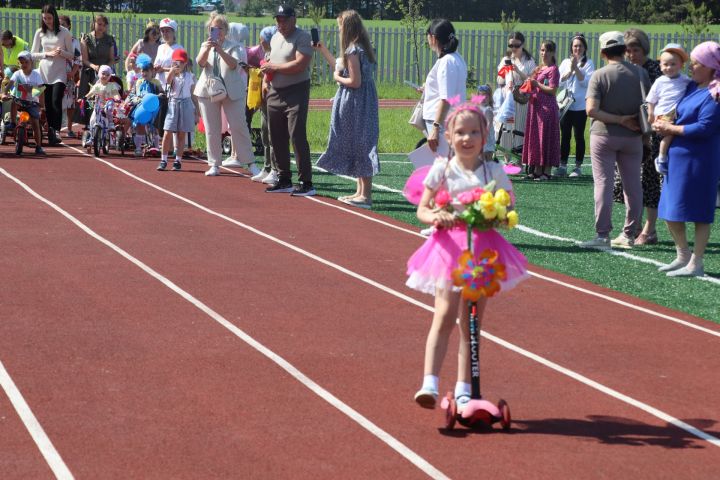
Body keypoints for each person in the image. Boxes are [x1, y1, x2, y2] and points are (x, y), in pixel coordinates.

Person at [406, 100, 528, 409]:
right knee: (444, 315)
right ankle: (429, 384)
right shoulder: (442, 168)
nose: (467, 138)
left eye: (474, 132)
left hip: (483, 252)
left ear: (484, 136)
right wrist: (436, 216)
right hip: (449, 250)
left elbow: (509, 209)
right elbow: (423, 208)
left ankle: (464, 388)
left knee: (471, 323)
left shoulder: (494, 171)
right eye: (460, 132)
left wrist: (497, 215)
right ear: (449, 136)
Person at [654, 41, 720, 277]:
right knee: (671, 209)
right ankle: (682, 254)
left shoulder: (716, 93)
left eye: (697, 63)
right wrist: (663, 122)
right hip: (678, 160)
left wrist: (671, 129)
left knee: (700, 212)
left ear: (711, 67)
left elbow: (705, 127)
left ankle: (697, 262)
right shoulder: (692, 87)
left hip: (700, 161)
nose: (691, 67)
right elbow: (678, 113)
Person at [579, 31, 649, 250]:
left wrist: (618, 119)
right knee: (633, 186)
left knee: (604, 184)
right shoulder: (640, 73)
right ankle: (629, 234)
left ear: (602, 52)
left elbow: (591, 110)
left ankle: (602, 236)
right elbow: (649, 107)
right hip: (634, 136)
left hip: (604, 135)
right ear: (624, 49)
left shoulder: (599, 75)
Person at [314, 10, 379, 209]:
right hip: (365, 100)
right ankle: (360, 192)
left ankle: (365, 195)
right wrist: (324, 51)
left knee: (360, 143)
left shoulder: (352, 50)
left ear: (347, 27)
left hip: (355, 101)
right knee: (360, 141)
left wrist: (336, 79)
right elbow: (343, 67)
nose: (339, 29)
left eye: (340, 26)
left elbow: (354, 81)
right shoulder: (362, 48)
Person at [614, 28, 664, 246]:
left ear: (644, 49)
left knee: (649, 181)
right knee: (630, 181)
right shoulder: (626, 70)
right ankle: (633, 225)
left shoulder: (655, 70)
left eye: (635, 50)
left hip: (652, 134)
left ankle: (649, 230)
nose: (632, 54)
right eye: (628, 51)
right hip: (630, 132)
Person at [260, 5, 315, 196]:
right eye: (278, 19)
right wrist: (266, 80)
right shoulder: (275, 37)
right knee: (276, 136)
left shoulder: (302, 37)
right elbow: (270, 60)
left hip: (297, 90)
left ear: (294, 19)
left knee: (296, 134)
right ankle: (284, 179)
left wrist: (273, 67)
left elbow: (300, 64)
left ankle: (306, 182)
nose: (280, 23)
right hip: (275, 90)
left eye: (283, 19)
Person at [195, 13, 256, 176]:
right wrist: (208, 48)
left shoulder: (234, 46)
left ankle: (250, 163)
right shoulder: (205, 45)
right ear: (209, 30)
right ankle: (214, 163)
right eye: (214, 28)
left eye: (220, 28)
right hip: (208, 90)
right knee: (212, 128)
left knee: (238, 126)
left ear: (226, 30)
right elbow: (200, 62)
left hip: (232, 91)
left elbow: (233, 64)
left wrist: (220, 49)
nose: (217, 31)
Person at [220, 22, 261, 174]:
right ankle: (233, 154)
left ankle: (237, 155)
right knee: (234, 123)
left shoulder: (237, 48)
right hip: (237, 86)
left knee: (236, 122)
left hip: (236, 88)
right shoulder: (241, 48)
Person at [421, 19, 467, 156]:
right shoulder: (456, 58)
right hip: (451, 120)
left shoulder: (446, 61)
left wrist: (435, 128)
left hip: (442, 122)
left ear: (433, 38)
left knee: (444, 168)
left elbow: (446, 99)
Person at [30, 4, 73, 145]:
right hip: (44, 72)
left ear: (54, 16)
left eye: (49, 18)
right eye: (44, 18)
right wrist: (46, 53)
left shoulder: (64, 32)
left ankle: (56, 130)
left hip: (59, 73)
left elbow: (72, 55)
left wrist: (62, 53)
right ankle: (50, 131)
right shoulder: (39, 33)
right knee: (47, 103)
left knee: (56, 101)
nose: (47, 21)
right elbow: (32, 54)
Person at [646, 44, 691, 174]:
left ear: (681, 65)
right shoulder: (660, 81)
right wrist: (650, 113)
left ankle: (667, 157)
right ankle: (661, 157)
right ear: (660, 66)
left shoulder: (685, 80)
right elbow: (651, 99)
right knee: (670, 134)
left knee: (675, 135)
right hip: (664, 114)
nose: (669, 67)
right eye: (665, 64)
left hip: (677, 114)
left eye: (673, 64)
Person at [522, 40, 560, 180]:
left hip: (547, 108)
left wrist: (536, 83)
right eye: (542, 50)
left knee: (546, 138)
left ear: (552, 53)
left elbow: (553, 90)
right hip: (535, 107)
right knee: (536, 138)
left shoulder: (553, 69)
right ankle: (537, 170)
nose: (544, 53)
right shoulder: (539, 68)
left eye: (547, 51)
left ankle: (547, 171)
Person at [558, 33, 595, 177]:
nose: (577, 48)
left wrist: (577, 68)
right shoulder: (565, 62)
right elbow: (560, 81)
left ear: (585, 48)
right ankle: (562, 165)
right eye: (575, 46)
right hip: (565, 105)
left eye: (580, 46)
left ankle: (578, 167)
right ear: (571, 48)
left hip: (580, 106)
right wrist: (570, 70)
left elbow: (586, 82)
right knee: (565, 135)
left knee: (579, 135)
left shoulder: (589, 63)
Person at [496, 32, 536, 165]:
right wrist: (504, 73)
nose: (513, 48)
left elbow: (531, 80)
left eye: (516, 45)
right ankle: (507, 159)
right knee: (506, 128)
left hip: (522, 98)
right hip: (507, 97)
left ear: (522, 45)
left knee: (520, 128)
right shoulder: (506, 59)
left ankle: (519, 160)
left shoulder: (529, 61)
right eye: (510, 45)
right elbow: (499, 80)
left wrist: (518, 71)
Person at [157, 49, 197, 172]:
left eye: (180, 61)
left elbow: (193, 94)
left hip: (186, 104)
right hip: (173, 103)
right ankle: (163, 160)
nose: (178, 64)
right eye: (175, 61)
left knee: (181, 133)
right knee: (167, 132)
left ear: (185, 63)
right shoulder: (172, 75)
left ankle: (178, 161)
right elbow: (168, 82)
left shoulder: (191, 77)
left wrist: (197, 111)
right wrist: (171, 72)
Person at [248, 25, 279, 184]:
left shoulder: (277, 54)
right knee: (265, 133)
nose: (261, 44)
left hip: (274, 96)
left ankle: (275, 169)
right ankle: (267, 167)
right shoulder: (267, 53)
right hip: (264, 98)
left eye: (263, 41)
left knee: (273, 135)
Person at [117, 54, 163, 157]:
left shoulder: (156, 83)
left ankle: (156, 146)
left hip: (153, 108)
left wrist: (160, 96)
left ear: (152, 72)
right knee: (140, 125)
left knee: (155, 127)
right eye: (142, 71)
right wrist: (132, 100)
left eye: (147, 71)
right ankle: (138, 147)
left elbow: (161, 93)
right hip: (140, 107)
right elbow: (132, 94)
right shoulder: (138, 82)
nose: (144, 73)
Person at [78, 14, 117, 135]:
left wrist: (106, 69)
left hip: (105, 73)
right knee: (90, 99)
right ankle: (89, 123)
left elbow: (112, 58)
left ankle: (105, 121)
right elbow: (84, 59)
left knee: (105, 97)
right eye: (99, 24)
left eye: (104, 25)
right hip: (90, 71)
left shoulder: (109, 39)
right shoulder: (86, 38)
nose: (101, 27)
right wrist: (94, 66)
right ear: (94, 24)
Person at [2, 50, 46, 155]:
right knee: (14, 102)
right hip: (20, 101)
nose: (24, 65)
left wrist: (41, 104)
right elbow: (9, 84)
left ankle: (38, 146)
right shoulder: (17, 74)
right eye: (21, 63)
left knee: (35, 124)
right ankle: (13, 122)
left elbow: (41, 91)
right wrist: (4, 93)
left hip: (32, 102)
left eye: (26, 62)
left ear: (31, 62)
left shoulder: (36, 75)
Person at [58, 15, 81, 139]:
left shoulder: (74, 41)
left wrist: (73, 72)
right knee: (55, 101)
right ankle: (55, 128)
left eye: (63, 24)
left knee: (70, 103)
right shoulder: (54, 39)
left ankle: (70, 128)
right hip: (55, 74)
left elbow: (78, 59)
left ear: (69, 26)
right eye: (59, 24)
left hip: (69, 75)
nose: (61, 27)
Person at [477, 84, 495, 161]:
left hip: (486, 142)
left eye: (486, 96)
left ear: (489, 98)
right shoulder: (479, 109)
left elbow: (488, 124)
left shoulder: (488, 110)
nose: (483, 99)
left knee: (486, 163)